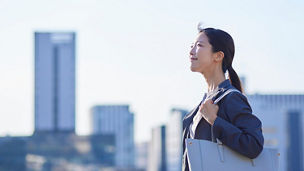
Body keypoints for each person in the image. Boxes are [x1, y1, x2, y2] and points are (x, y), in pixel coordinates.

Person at [182, 24, 264, 171]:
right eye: (191, 45)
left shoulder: (231, 98)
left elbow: (253, 144)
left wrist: (215, 121)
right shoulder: (200, 106)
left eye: (199, 45)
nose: (191, 51)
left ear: (218, 56)